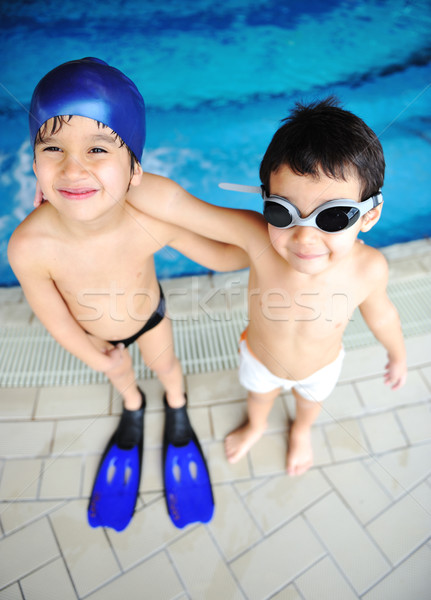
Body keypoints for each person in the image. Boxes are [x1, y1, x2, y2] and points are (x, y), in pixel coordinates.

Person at [8, 58, 248, 530]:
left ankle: (176, 403)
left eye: (98, 149)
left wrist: (285, 231)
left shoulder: (150, 222)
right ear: (34, 162)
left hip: (149, 317)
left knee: (167, 366)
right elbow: (55, 319)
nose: (72, 169)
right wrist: (99, 359)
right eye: (52, 147)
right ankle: (133, 404)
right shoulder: (29, 247)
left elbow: (224, 256)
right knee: (120, 375)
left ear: (134, 169)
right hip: (93, 334)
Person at [125, 97, 407, 476]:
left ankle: (301, 432)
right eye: (282, 212)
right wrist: (107, 178)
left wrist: (397, 353)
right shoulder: (259, 240)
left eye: (334, 216)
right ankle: (257, 426)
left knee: (309, 407)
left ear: (369, 215)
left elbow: (383, 315)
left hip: (320, 368)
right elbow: (177, 204)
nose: (304, 238)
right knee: (258, 399)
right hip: (260, 358)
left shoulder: (369, 268)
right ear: (265, 203)